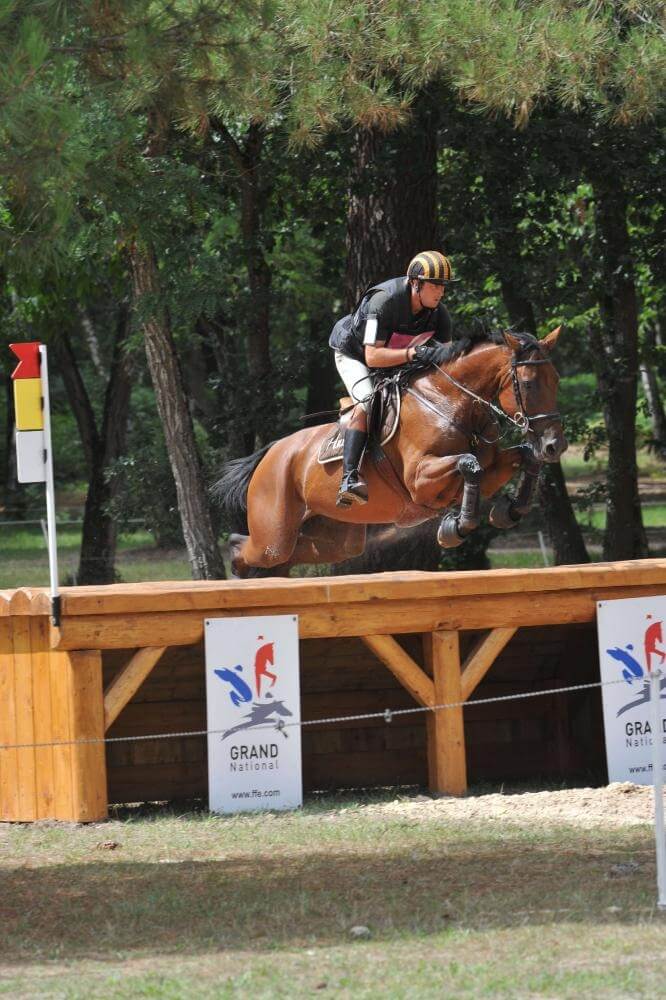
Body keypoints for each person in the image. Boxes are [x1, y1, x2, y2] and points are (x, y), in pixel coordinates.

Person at [328, 250, 458, 506]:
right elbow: (373, 357)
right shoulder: (384, 302)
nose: (441, 292)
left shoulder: (439, 314)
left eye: (443, 286)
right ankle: (349, 478)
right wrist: (413, 353)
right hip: (355, 355)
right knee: (367, 400)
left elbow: (448, 363)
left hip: (394, 357)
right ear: (415, 283)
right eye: (435, 285)